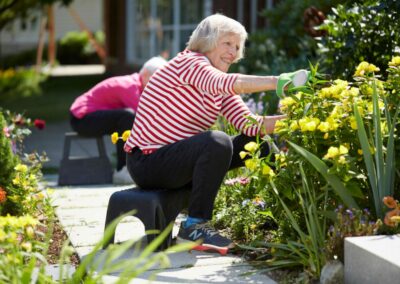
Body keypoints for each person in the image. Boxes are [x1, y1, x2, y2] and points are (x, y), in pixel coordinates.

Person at [124, 14, 298, 253]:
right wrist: (278, 82)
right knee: (217, 141)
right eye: (227, 43)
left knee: (259, 143)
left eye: (237, 46)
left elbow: (251, 124)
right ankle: (194, 226)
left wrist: (297, 120)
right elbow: (224, 83)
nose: (233, 51)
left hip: (176, 162)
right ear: (208, 40)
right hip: (148, 162)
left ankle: (291, 210)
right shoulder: (190, 63)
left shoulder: (218, 84)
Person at [69, 56, 167, 184]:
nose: (160, 85)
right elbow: (145, 116)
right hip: (81, 119)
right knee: (128, 116)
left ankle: (132, 168)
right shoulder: (129, 86)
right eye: (158, 79)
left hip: (89, 117)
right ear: (146, 74)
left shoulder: (140, 87)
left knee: (127, 119)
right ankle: (122, 170)